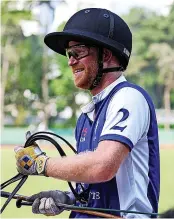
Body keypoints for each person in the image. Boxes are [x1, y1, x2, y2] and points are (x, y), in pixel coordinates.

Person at [14, 8, 160, 218]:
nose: (71, 61)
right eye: (69, 54)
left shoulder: (129, 97)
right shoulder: (86, 117)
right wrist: (66, 198)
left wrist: (41, 164)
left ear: (106, 55)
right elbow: (91, 191)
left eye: (78, 52)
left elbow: (102, 167)